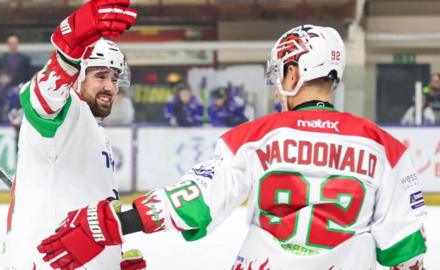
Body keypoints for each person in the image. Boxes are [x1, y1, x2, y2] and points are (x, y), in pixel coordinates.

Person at [38, 25, 427, 270]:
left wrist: (111, 224)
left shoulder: (255, 136)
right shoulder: (385, 147)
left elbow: (191, 200)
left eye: (282, 74)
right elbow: (404, 251)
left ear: (294, 72)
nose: (278, 86)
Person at [3, 1, 143, 269]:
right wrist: (69, 50)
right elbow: (40, 98)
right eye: (100, 75)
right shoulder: (65, 113)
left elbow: (98, 212)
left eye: (114, 79)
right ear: (77, 77)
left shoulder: (95, 130)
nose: (109, 87)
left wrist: (112, 258)